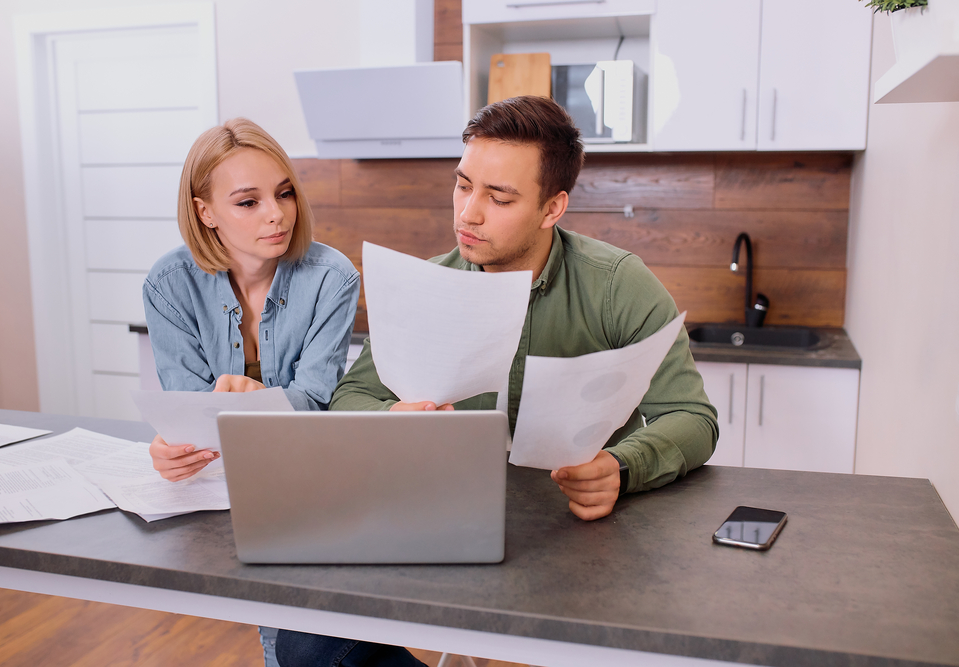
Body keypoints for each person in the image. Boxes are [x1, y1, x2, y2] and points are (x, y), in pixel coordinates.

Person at [275, 97, 718, 666]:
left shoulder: (616, 284)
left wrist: (623, 467)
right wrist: (390, 418)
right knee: (308, 644)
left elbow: (692, 417)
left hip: (574, 531)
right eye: (463, 186)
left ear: (552, 207)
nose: (468, 213)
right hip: (447, 520)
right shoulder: (428, 284)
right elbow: (351, 397)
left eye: (499, 197)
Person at [141, 117, 360, 667]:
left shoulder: (332, 276)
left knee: (295, 645)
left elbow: (315, 400)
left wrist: (248, 399)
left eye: (285, 193)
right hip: (221, 492)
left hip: (314, 480)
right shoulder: (168, 284)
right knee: (301, 645)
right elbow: (189, 409)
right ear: (204, 211)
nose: (276, 214)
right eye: (248, 202)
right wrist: (175, 447)